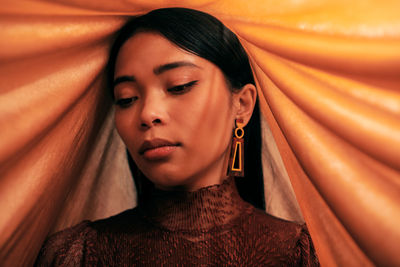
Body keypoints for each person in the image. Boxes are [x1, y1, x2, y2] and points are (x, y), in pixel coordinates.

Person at [35, 7, 319, 266]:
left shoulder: (293, 253)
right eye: (126, 98)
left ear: (242, 105)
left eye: (179, 86)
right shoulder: (79, 254)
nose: (147, 114)